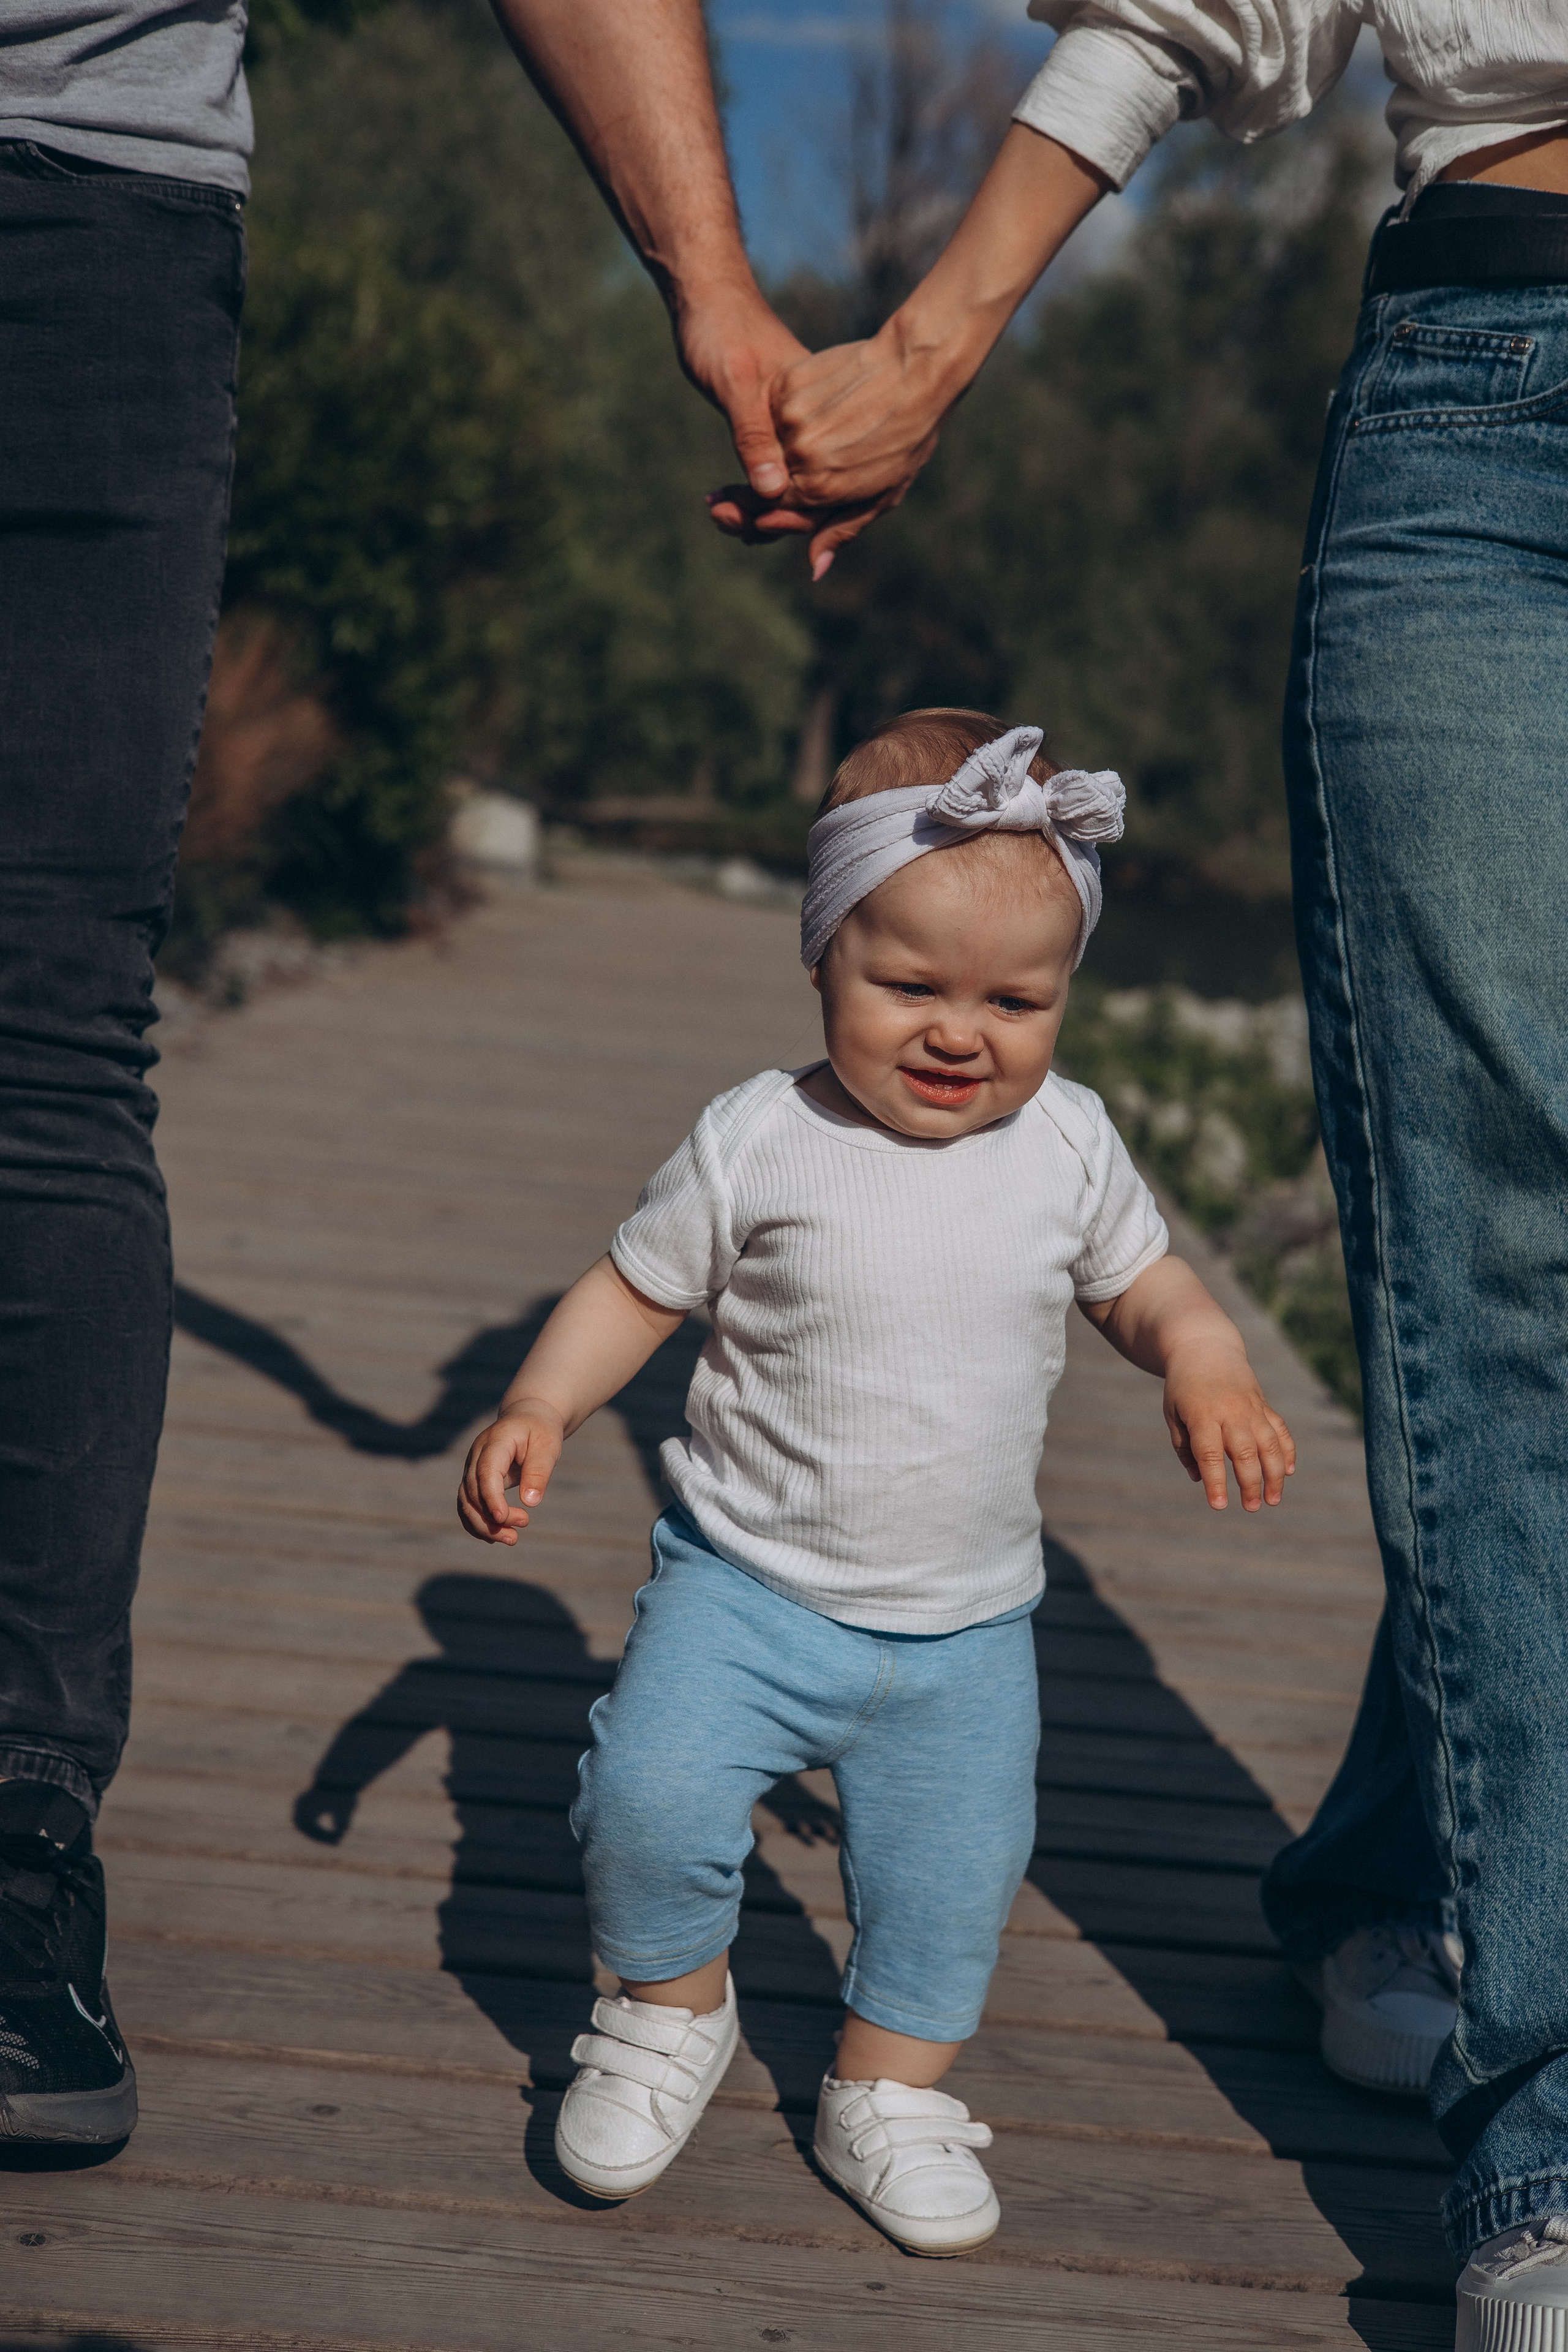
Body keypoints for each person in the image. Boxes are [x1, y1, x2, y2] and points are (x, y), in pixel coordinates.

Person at [710, 9, 1568, 2342]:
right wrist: (932, 337)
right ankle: (1550, 2155)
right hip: (1499, 391)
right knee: (1497, 1256)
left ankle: (1400, 1856)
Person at [0, 0, 805, 2146]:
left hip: (87, 200)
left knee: (40, 1036)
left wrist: (711, 282)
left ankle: (12, 1832)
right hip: (106, 213)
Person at [457, 707, 1295, 2255]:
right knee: (641, 1799)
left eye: (1015, 1000)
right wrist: (540, 1401)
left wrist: (1203, 1356)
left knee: (951, 1879)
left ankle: (885, 2090)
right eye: (907, 984)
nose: (958, 1032)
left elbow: (1144, 1285)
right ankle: (666, 2010)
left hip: (964, 1632)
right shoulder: (757, 1141)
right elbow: (633, 1291)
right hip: (743, 1588)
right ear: (822, 956)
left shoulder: (1065, 1146)